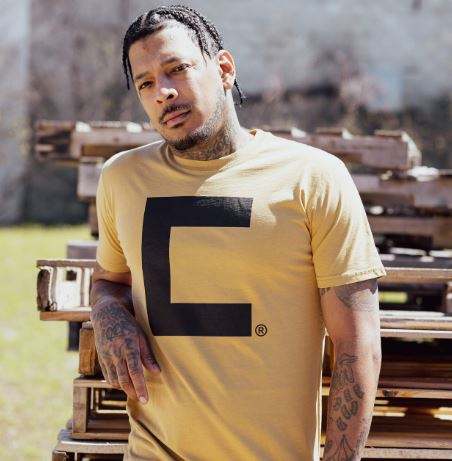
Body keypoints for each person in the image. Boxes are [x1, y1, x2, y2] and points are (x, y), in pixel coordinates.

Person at [89, 5, 386, 460]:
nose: (163, 92)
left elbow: (356, 342)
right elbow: (109, 281)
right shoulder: (121, 179)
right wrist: (109, 313)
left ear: (224, 68)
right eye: (145, 83)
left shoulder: (313, 178)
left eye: (177, 69)